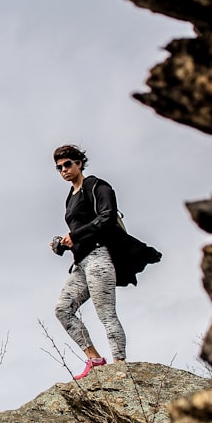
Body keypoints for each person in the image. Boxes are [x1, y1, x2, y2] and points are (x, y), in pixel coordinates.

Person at [49, 144, 131, 380]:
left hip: (99, 258)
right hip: (80, 263)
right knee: (63, 309)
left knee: (106, 314)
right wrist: (63, 244)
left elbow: (107, 216)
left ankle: (120, 366)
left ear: (79, 163)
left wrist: (74, 236)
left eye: (67, 164)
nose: (64, 170)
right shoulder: (70, 197)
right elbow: (78, 231)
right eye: (59, 168)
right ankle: (95, 359)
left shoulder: (96, 186)